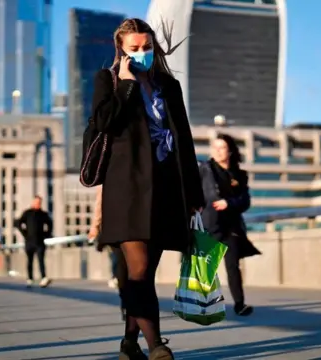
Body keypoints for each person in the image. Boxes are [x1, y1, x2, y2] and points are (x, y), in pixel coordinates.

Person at [85, 18, 205, 359]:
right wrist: (125, 85)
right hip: (125, 190)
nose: (141, 54)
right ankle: (156, 346)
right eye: (134, 49)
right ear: (121, 49)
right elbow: (104, 122)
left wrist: (194, 196)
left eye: (147, 48)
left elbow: (184, 139)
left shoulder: (168, 86)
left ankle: (128, 344)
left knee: (143, 273)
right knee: (137, 271)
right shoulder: (107, 80)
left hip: (166, 188)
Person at [200, 134, 261, 316]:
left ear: (231, 151)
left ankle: (239, 304)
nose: (217, 151)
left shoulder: (240, 175)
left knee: (233, 265)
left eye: (222, 147)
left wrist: (229, 203)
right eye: (215, 148)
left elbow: (245, 200)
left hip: (231, 226)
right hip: (210, 223)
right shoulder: (205, 169)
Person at [88, 185, 127, 321]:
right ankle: (126, 305)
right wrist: (95, 227)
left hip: (136, 227)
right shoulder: (107, 180)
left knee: (135, 270)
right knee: (122, 268)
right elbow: (100, 205)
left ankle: (130, 305)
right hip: (116, 229)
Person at [16, 196, 53, 288]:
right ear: (33, 202)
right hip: (29, 241)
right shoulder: (27, 213)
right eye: (36, 202)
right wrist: (25, 233)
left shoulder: (43, 214)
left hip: (40, 241)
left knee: (41, 260)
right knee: (30, 261)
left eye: (39, 202)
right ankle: (30, 279)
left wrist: (46, 234)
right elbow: (18, 223)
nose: (38, 204)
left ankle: (44, 278)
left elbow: (50, 224)